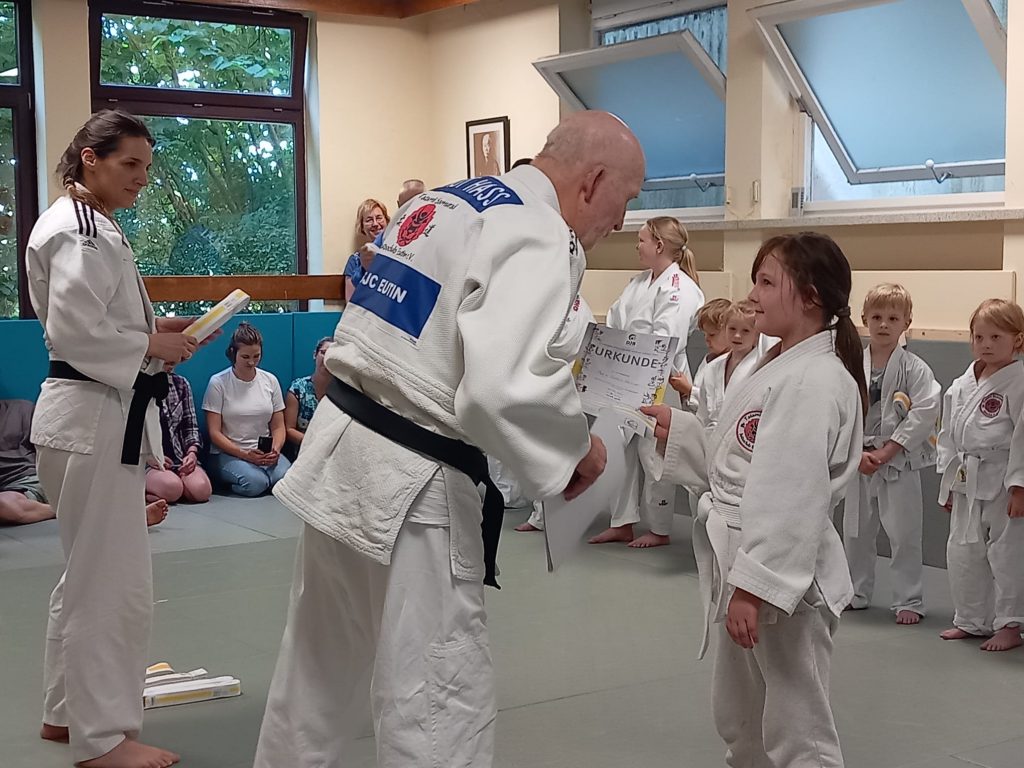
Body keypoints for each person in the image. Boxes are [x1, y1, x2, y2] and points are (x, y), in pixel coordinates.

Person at [253, 111, 642, 768]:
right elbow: (501, 389)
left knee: (316, 670)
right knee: (436, 694)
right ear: (593, 180)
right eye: (624, 199)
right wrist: (578, 446)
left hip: (342, 449)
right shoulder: (537, 230)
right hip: (414, 482)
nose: (621, 221)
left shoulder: (443, 202)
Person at [640, 232, 865, 768]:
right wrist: (682, 431)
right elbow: (739, 460)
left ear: (810, 296)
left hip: (781, 573)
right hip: (746, 554)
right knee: (743, 713)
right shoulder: (782, 363)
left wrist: (754, 588)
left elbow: (791, 494)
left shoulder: (812, 380)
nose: (753, 295)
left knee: (798, 726)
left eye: (766, 282)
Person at [28, 109, 195, 768]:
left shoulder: (88, 224)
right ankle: (103, 740)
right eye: (130, 164)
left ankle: (66, 714)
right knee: (110, 587)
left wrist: (156, 333)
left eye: (147, 167)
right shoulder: (81, 230)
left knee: (86, 576)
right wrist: (150, 345)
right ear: (90, 158)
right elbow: (77, 334)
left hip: (88, 417)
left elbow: (97, 322)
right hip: (92, 417)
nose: (141, 178)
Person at [590, 216, 705, 548]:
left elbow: (667, 339)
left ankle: (659, 527)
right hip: (625, 375)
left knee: (653, 453)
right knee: (619, 449)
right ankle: (622, 521)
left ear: (659, 245)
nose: (637, 246)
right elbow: (615, 319)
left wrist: (631, 358)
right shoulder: (639, 282)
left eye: (641, 240)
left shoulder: (681, 288)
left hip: (662, 380)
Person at [843, 284, 940, 624]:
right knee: (855, 532)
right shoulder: (850, 365)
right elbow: (840, 409)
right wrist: (855, 451)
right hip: (859, 458)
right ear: (864, 319)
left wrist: (888, 449)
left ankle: (909, 599)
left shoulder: (915, 368)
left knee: (904, 534)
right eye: (877, 317)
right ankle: (855, 591)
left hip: (898, 460)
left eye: (893, 318)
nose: (884, 324)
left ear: (906, 323)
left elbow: (925, 411)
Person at [938, 298, 1024, 651]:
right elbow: (947, 433)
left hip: (1003, 478)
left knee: (1006, 554)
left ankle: (1010, 624)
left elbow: (1023, 438)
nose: (986, 344)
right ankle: (972, 619)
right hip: (966, 478)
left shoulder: (1019, 382)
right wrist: (947, 481)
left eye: (996, 337)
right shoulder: (963, 383)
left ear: (1017, 339)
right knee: (963, 550)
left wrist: (1020, 486)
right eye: (979, 337)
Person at [515, 293, 596, 533]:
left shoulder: (575, 304)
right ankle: (542, 515)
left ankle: (551, 516)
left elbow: (563, 345)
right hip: (551, 383)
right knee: (544, 450)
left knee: (554, 452)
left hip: (563, 382)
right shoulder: (560, 299)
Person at [204, 322, 290, 497]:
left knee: (285, 480)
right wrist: (244, 454)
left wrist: (275, 449)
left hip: (263, 451)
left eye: (256, 356)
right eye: (245, 357)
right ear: (233, 353)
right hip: (228, 453)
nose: (251, 362)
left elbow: (278, 426)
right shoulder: (218, 383)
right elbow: (214, 433)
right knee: (255, 483)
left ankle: (265, 475)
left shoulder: (270, 380)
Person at [144, 372, 212, 506]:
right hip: (149, 461)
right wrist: (149, 456)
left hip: (179, 457)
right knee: (172, 488)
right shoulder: (136, 383)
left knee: (201, 491)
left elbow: (190, 425)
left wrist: (192, 453)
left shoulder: (181, 383)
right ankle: (144, 494)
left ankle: (171, 488)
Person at [696, 300, 760, 432]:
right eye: (732, 329)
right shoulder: (712, 368)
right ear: (724, 329)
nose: (737, 335)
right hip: (709, 436)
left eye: (745, 331)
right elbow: (702, 415)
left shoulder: (760, 368)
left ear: (757, 335)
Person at [670, 297, 732, 411]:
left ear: (730, 332)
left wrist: (688, 390)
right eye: (704, 334)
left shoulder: (728, 364)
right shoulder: (709, 358)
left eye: (712, 335)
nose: (706, 339)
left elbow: (715, 405)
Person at [0, 398, 54, 525]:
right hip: (4, 487)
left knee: (4, 505)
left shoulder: (21, 409)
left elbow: (49, 452)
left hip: (25, 479)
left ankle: (57, 510)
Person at [283, 336, 332, 460]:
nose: (326, 358)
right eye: (323, 352)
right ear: (315, 354)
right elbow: (289, 429)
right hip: (303, 453)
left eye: (332, 355)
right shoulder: (298, 389)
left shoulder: (343, 392)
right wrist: (314, 444)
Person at [343, 198, 390, 301]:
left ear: (387, 221)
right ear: (362, 227)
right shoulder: (355, 260)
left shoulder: (396, 254)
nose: (375, 224)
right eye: (369, 220)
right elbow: (350, 302)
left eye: (379, 218)